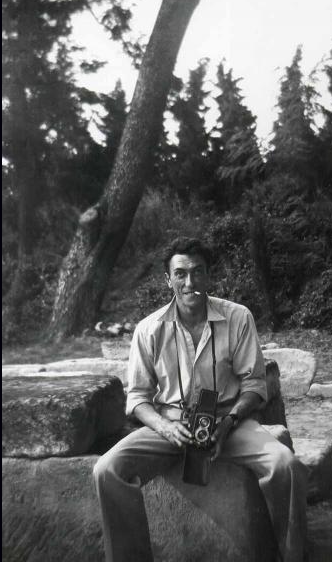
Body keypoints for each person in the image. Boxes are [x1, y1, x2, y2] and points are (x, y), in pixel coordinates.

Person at [93, 237, 307, 562]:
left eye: (197, 272)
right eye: (180, 274)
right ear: (168, 279)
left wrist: (228, 423)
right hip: (170, 425)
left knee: (285, 465)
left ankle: (293, 557)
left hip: (229, 423)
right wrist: (165, 428)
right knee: (107, 470)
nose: (189, 282)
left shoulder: (238, 318)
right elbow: (137, 399)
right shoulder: (147, 330)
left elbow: (254, 386)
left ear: (208, 275)